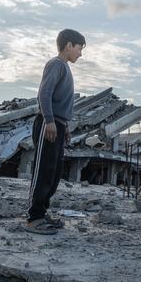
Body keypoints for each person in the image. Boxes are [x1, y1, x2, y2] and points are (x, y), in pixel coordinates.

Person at [24, 28, 85, 234]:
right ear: (68, 45)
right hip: (47, 124)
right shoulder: (56, 64)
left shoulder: (64, 67)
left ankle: (42, 213)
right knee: (43, 171)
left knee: (54, 172)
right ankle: (34, 218)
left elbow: (60, 101)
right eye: (79, 49)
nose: (80, 54)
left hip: (58, 125)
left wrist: (64, 126)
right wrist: (49, 120)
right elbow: (44, 93)